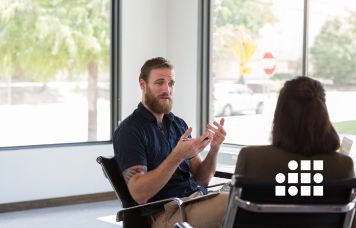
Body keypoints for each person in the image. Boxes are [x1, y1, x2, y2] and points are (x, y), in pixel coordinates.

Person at [113, 57, 228, 228]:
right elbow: (139, 194)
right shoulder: (130, 130)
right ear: (143, 85)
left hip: (195, 200)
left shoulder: (178, 125)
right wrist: (177, 156)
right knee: (234, 206)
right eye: (159, 83)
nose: (167, 89)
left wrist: (214, 149)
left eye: (171, 83)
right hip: (167, 214)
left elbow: (202, 180)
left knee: (243, 196)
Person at [235, 76, 354, 180]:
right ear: (323, 115)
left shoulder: (251, 159)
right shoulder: (343, 166)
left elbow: (235, 204)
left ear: (280, 115)